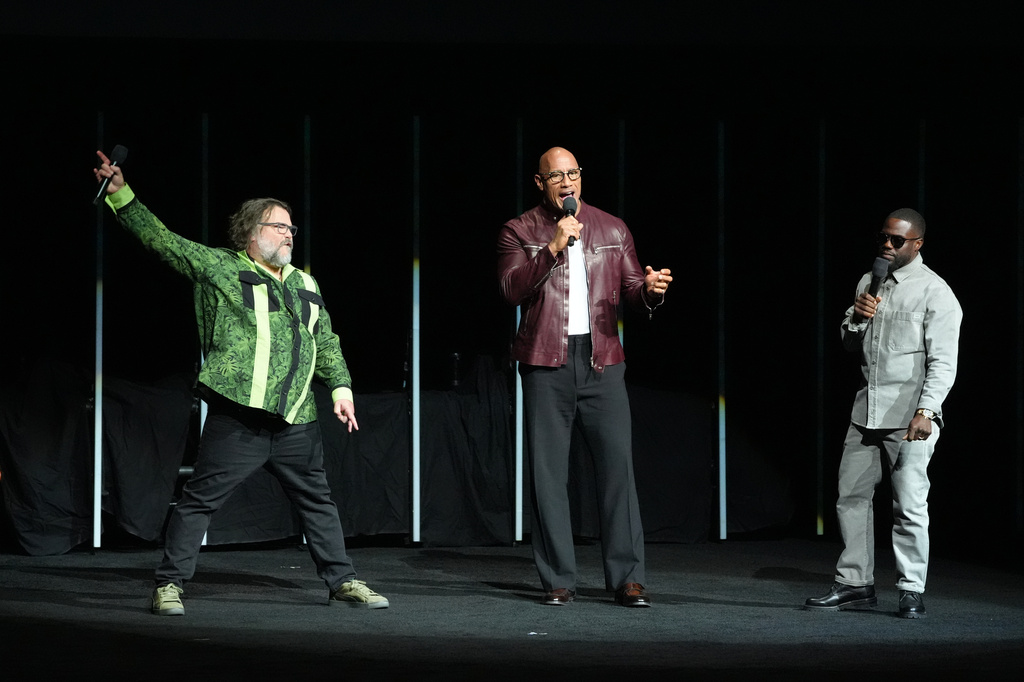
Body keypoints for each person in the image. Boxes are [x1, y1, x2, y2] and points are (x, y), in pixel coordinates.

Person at [93, 150, 389, 615]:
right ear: (252, 233)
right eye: (279, 226)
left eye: (291, 227)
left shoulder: (306, 283)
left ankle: (343, 581)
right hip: (240, 416)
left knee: (318, 502)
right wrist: (122, 196)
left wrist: (341, 389)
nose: (289, 233)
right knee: (200, 501)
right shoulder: (222, 267)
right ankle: (169, 584)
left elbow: (325, 341)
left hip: (296, 419)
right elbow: (163, 241)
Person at [497, 147, 672, 607]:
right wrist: (552, 248)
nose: (566, 182)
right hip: (545, 362)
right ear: (541, 183)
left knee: (617, 471)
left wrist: (649, 292)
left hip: (602, 362)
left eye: (572, 173)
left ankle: (628, 579)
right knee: (548, 476)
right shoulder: (519, 230)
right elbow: (511, 290)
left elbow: (632, 289)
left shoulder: (612, 228)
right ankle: (559, 579)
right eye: (556, 176)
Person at [805, 208, 962, 619]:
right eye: (883, 238)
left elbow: (944, 362)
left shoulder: (935, 292)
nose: (887, 245)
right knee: (851, 498)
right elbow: (849, 344)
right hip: (865, 413)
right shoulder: (868, 281)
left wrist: (927, 411)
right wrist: (857, 318)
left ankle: (910, 588)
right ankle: (854, 583)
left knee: (908, 505)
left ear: (918, 244)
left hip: (909, 418)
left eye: (897, 240)